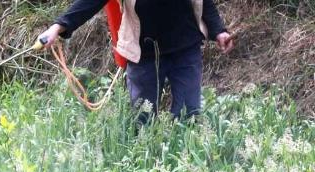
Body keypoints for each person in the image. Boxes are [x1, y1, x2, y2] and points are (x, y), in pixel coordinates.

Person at [38, 0, 235, 123]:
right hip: (143, 56)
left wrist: (218, 30)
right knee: (144, 120)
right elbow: (90, 2)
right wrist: (58, 27)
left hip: (185, 50)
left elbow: (204, 2)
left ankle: (186, 170)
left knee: (189, 115)